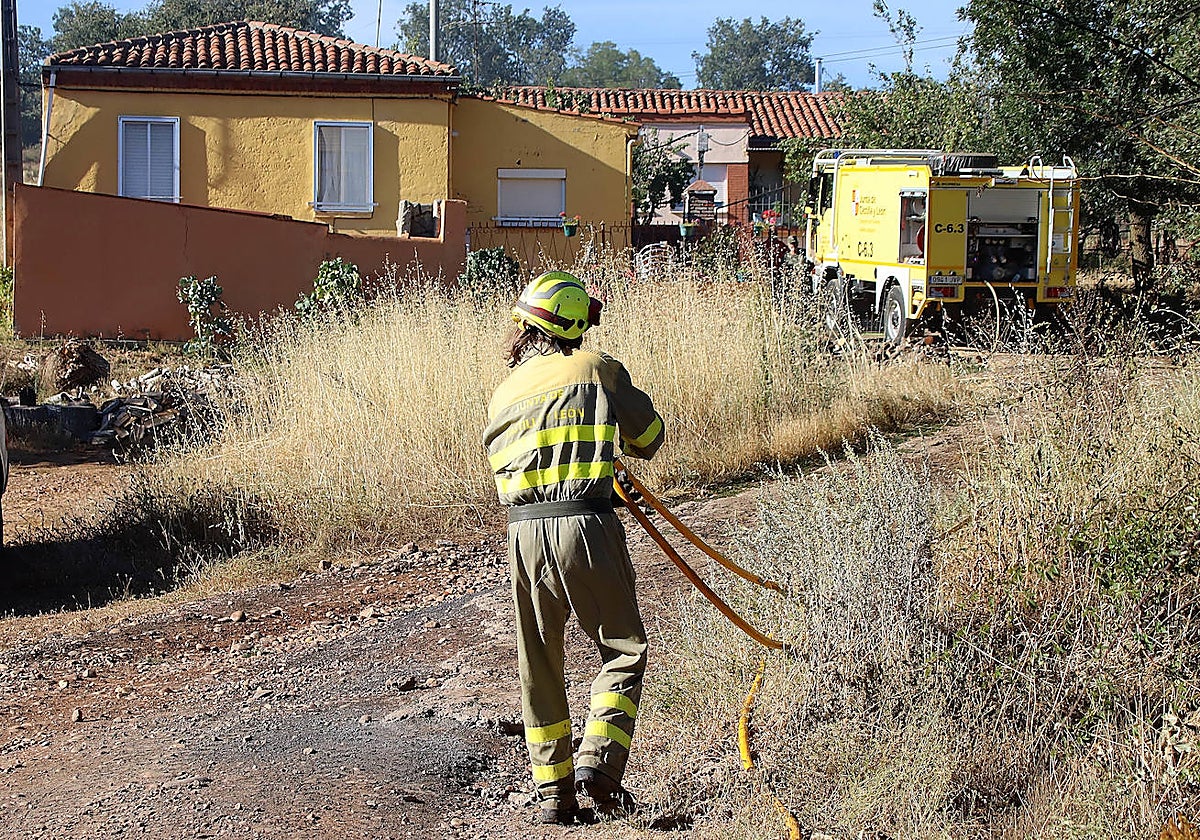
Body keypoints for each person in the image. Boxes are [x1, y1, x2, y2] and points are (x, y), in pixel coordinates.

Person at [482, 270, 666, 825]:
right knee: (623, 649)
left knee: (538, 663)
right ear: (574, 325)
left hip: (521, 535)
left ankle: (552, 793)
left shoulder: (503, 391)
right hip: (586, 526)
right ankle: (601, 765)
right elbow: (650, 438)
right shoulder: (597, 368)